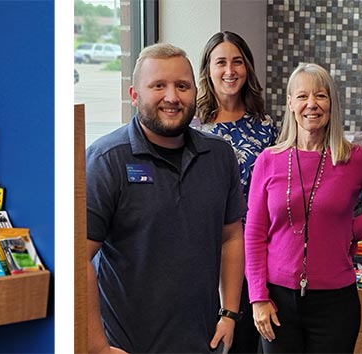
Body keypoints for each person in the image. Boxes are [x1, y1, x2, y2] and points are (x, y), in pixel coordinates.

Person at [87, 42, 246, 353]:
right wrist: (96, 346)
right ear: (134, 95)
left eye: (182, 86)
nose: (172, 97)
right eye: (158, 85)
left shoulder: (219, 155)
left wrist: (229, 314)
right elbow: (79, 258)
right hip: (129, 345)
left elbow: (231, 236)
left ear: (195, 92)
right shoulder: (106, 160)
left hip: (202, 344)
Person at [244, 63, 362, 353]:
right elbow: (254, 233)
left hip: (334, 304)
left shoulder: (353, 159)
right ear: (290, 103)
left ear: (331, 103)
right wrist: (258, 297)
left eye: (321, 96)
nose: (312, 104)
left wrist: (352, 230)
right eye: (302, 96)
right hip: (277, 300)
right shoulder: (268, 161)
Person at [193, 31, 278, 354]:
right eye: (221, 62)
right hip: (204, 245)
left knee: (241, 339)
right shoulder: (193, 125)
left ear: (247, 68)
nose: (230, 71)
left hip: (252, 246)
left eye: (237, 62)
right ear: (209, 69)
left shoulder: (264, 124)